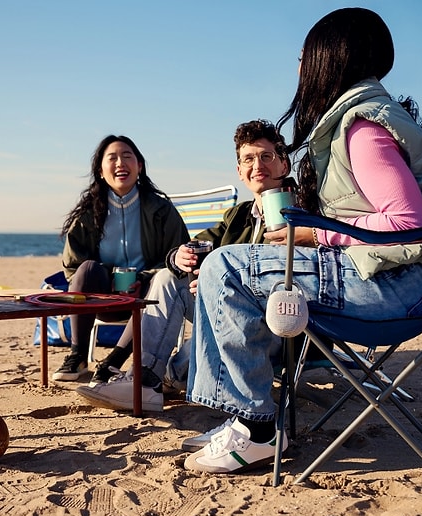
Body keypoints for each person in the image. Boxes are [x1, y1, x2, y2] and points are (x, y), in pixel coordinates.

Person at [182, 7, 422, 474]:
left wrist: (314, 234)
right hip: (399, 278)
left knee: (225, 268)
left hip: (397, 286)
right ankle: (243, 417)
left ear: (331, 58)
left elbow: (408, 225)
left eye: (304, 57)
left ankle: (257, 427)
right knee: (231, 263)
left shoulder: (362, 129)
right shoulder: (362, 117)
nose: (299, 69)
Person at [75, 120, 294, 412]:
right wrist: (179, 256)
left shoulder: (298, 212)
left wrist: (220, 279)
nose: (258, 165)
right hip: (227, 316)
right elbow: (192, 246)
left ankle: (157, 377)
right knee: (167, 278)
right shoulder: (237, 216)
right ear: (240, 171)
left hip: (276, 327)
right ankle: (144, 383)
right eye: (249, 159)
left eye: (266, 156)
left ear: (283, 164)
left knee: (187, 362)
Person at [53, 134, 189, 381]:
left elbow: (178, 259)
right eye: (112, 158)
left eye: (128, 157)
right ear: (100, 170)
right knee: (87, 269)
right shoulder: (88, 212)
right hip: (100, 299)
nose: (120, 163)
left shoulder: (161, 210)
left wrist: (142, 279)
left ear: (140, 166)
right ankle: (78, 355)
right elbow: (73, 266)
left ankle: (114, 360)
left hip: (148, 297)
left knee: (162, 281)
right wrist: (110, 283)